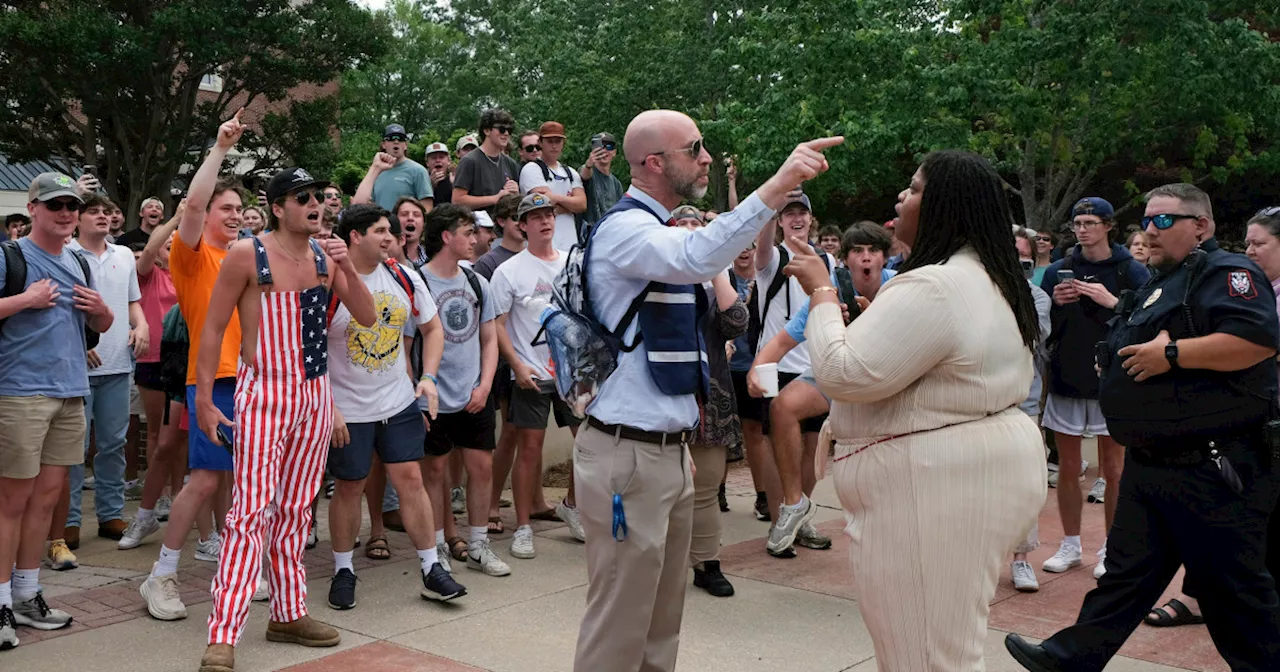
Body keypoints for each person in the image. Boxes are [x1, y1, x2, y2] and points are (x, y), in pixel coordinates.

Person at [571, 108, 841, 672]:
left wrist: (676, 444)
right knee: (620, 624)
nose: (707, 158)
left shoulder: (658, 229)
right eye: (694, 148)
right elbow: (699, 256)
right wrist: (780, 182)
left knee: (661, 622)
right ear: (653, 162)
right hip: (627, 453)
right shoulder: (625, 230)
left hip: (663, 452)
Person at [1005, 184, 1280, 672]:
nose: (1150, 230)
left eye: (1165, 221)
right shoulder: (1161, 281)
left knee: (1235, 593)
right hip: (1152, 461)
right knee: (1127, 577)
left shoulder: (1227, 274)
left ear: (1202, 226)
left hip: (1209, 468)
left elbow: (1256, 340)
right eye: (1148, 220)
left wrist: (1172, 354)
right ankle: (1070, 659)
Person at [788, 150, 1044, 670]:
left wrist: (819, 291)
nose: (901, 198)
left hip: (932, 491)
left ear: (944, 205)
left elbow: (844, 373)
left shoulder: (936, 285)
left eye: (914, 188)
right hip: (968, 475)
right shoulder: (991, 277)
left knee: (924, 654)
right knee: (942, 643)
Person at [193, 165, 375, 672]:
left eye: (317, 195)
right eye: (302, 197)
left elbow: (366, 316)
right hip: (264, 394)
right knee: (251, 513)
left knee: (298, 510)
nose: (314, 203)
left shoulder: (325, 253)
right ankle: (224, 633)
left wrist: (349, 267)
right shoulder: (245, 253)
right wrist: (207, 401)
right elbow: (211, 330)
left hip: (315, 395)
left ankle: (288, 613)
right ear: (277, 207)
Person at [137, 112, 251, 625]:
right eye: (225, 208)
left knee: (241, 480)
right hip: (211, 382)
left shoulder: (252, 259)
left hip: (253, 382)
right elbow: (197, 201)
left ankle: (236, 564)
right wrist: (220, 148)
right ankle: (161, 574)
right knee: (204, 479)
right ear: (204, 217)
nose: (234, 214)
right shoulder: (192, 256)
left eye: (241, 208)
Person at [324, 203, 465, 612]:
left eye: (391, 230)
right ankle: (343, 569)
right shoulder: (329, 282)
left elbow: (432, 328)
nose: (391, 237)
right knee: (350, 485)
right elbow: (308, 347)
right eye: (381, 231)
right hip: (347, 406)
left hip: (398, 399)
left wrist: (429, 377)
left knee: (410, 480)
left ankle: (430, 567)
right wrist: (327, 405)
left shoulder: (403, 275)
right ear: (355, 236)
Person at [0, 173, 113, 650]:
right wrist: (25, 299)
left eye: (72, 205)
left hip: (71, 392)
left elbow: (101, 325)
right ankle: (2, 601)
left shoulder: (79, 261)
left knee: (47, 502)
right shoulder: (12, 255)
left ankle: (28, 594)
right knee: (10, 502)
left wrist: (101, 310)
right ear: (32, 209)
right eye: (55, 205)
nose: (65, 213)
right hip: (20, 392)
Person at [1039, 197, 1149, 581]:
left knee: (1114, 468)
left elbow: (1148, 320)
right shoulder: (1058, 269)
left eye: (1089, 222)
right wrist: (1055, 302)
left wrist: (1111, 301)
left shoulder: (1130, 270)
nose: (1082, 229)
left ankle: (1110, 546)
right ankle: (1070, 543)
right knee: (1068, 467)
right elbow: (1043, 326)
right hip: (1068, 373)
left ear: (1107, 226)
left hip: (1112, 379)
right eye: (1077, 223)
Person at [490, 193, 584, 560]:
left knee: (588, 444)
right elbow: (495, 326)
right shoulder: (508, 271)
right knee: (529, 449)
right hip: (531, 372)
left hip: (571, 373)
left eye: (550, 214)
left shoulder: (571, 264)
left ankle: (572, 505)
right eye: (536, 216)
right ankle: (524, 526)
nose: (546, 221)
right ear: (521, 224)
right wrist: (516, 365)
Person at [418, 203, 511, 577]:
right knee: (435, 471)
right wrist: (421, 388)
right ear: (446, 237)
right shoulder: (417, 282)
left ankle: (478, 545)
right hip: (434, 395)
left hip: (474, 391)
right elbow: (411, 341)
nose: (476, 240)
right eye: (468, 232)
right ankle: (437, 544)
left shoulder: (476, 281)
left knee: (481, 467)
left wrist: (485, 385)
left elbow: (490, 338)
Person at [751, 190, 838, 556]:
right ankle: (779, 520)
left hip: (816, 363)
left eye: (802, 211)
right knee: (777, 446)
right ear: (780, 220)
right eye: (789, 213)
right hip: (777, 364)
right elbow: (763, 245)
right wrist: (771, 205)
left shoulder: (827, 260)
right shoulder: (771, 258)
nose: (796, 218)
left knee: (812, 447)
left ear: (811, 218)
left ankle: (798, 516)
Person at [670, 208, 748, 598]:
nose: (688, 230)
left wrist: (715, 265)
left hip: (711, 397)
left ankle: (706, 562)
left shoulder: (717, 280)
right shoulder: (658, 277)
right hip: (664, 397)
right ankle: (659, 561)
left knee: (705, 487)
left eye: (696, 225)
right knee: (660, 487)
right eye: (680, 224)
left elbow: (735, 322)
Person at [65, 194, 147, 546]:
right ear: (78, 219)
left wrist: (141, 326)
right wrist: (79, 346)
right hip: (76, 369)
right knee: (72, 450)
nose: (103, 217)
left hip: (117, 364)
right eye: (93, 211)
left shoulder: (125, 254)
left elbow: (133, 302)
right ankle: (67, 521)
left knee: (113, 444)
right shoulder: (66, 256)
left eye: (107, 212)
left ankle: (110, 514)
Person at [117, 210, 185, 552]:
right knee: (158, 434)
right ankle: (155, 499)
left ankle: (174, 495)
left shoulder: (189, 273)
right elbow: (146, 254)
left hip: (183, 359)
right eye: (166, 244)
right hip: (152, 357)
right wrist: (175, 220)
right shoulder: (148, 276)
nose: (171, 247)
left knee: (180, 436)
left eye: (177, 243)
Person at [519, 122, 585, 252]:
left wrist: (557, 198)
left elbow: (582, 205)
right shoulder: (532, 169)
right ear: (540, 142)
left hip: (570, 247)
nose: (554, 145)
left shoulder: (571, 172)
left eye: (558, 141)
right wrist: (570, 205)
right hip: (541, 248)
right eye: (549, 141)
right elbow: (544, 205)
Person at [452, 110, 520, 214]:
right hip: (478, 227)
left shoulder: (510, 163)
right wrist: (495, 198)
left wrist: (516, 193)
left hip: (504, 226)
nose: (506, 133)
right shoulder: (469, 161)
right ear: (487, 130)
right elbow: (457, 200)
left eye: (509, 130)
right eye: (501, 129)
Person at [362, 124, 433, 212]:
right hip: (383, 224)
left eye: (400, 139)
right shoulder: (376, 172)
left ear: (405, 145)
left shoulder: (418, 171)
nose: (396, 142)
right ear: (384, 144)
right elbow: (370, 204)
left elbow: (427, 207)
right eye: (391, 138)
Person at [580, 132, 624, 234]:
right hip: (590, 236)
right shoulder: (588, 171)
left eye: (609, 147)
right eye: (600, 147)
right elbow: (584, 176)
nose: (604, 151)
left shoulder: (616, 184)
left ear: (614, 152)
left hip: (611, 234)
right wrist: (588, 165)